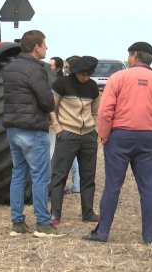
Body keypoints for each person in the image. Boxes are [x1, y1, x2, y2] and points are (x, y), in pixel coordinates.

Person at [82, 41, 152, 245]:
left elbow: (106, 110)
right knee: (148, 187)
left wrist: (105, 135)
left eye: (129, 56)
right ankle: (149, 236)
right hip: (148, 137)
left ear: (134, 56)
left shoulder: (118, 78)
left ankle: (103, 232)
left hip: (120, 136)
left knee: (112, 186)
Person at [2, 30, 64, 238]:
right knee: (40, 177)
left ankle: (17, 223)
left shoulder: (9, 68)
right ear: (36, 47)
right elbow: (47, 101)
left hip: (13, 128)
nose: (47, 48)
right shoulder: (37, 70)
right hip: (33, 129)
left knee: (18, 174)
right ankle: (43, 224)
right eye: (45, 44)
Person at [50, 56, 100, 225]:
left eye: (89, 75)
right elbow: (51, 108)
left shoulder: (92, 86)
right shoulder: (61, 84)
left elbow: (96, 111)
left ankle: (88, 212)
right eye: (83, 74)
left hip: (88, 136)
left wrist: (95, 129)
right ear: (76, 71)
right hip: (67, 134)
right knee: (59, 175)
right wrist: (58, 129)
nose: (85, 78)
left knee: (88, 176)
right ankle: (55, 214)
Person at [63, 55, 81, 194]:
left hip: (71, 125)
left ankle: (77, 184)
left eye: (68, 67)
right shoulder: (86, 83)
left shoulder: (67, 84)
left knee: (73, 157)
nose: (66, 69)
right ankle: (78, 184)